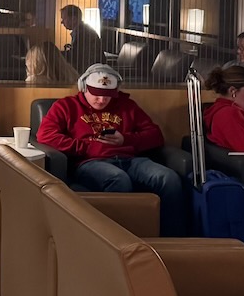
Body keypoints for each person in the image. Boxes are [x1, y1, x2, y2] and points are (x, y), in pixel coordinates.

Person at [37, 63, 188, 235]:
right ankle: (120, 240)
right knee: (118, 179)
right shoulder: (66, 106)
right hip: (90, 162)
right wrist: (86, 147)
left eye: (107, 96)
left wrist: (126, 139)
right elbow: (46, 135)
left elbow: (155, 136)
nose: (102, 100)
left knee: (168, 178)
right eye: (97, 95)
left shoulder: (127, 106)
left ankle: (171, 238)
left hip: (130, 159)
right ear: (84, 88)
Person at [59, 4, 104, 73]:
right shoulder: (82, 31)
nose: (62, 22)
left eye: (64, 18)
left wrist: (56, 54)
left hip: (89, 74)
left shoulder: (84, 34)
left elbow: (77, 57)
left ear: (73, 19)